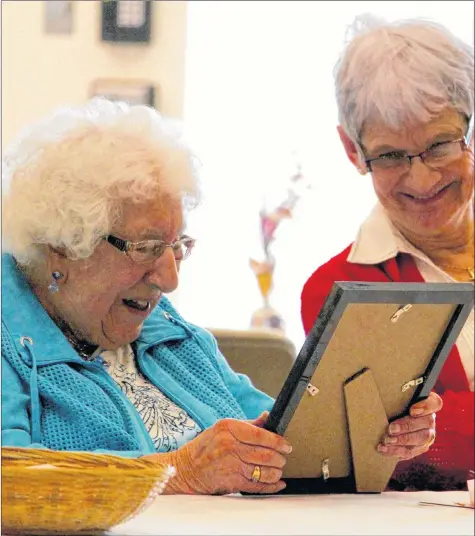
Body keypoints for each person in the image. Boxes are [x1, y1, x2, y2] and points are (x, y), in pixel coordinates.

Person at [2, 98, 439, 496]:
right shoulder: (10, 343)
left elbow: (277, 436)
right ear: (63, 246)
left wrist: (370, 432)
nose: (170, 279)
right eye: (147, 248)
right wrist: (178, 471)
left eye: (177, 247)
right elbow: (13, 483)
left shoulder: (169, 333)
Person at [301, 15, 473, 490]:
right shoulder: (338, 290)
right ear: (352, 151)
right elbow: (383, 448)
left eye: (439, 145)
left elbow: (444, 430)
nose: (422, 180)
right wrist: (436, 433)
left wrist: (451, 416)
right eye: (391, 156)